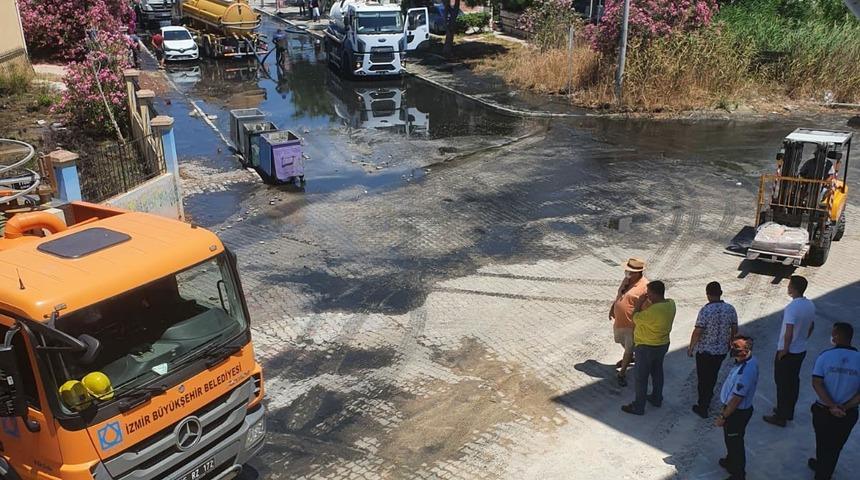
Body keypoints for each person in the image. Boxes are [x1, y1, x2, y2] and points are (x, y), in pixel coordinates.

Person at [808, 322, 860, 480]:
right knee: (835, 447)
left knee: (822, 442)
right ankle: (824, 467)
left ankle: (822, 474)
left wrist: (831, 405)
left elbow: (817, 382)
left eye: (833, 333)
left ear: (837, 336)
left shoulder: (825, 356)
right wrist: (844, 407)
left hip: (823, 411)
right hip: (847, 414)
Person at [764, 275, 815, 427]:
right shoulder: (810, 305)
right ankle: (787, 411)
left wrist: (784, 350)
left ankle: (780, 416)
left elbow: (789, 331)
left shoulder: (792, 308)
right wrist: (804, 339)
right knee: (793, 383)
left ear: (793, 289)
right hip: (801, 350)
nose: (788, 287)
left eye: (789, 285)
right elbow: (811, 326)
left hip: (789, 352)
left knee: (782, 384)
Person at [621, 280, 675, 415]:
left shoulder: (652, 312)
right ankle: (657, 398)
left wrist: (639, 303)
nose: (647, 295)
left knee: (641, 377)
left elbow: (635, 317)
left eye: (649, 293)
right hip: (662, 344)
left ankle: (639, 406)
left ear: (655, 294)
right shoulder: (671, 304)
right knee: (657, 372)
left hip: (646, 347)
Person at [689, 281, 739, 418]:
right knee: (712, 376)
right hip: (721, 351)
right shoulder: (730, 309)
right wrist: (732, 344)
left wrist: (691, 347)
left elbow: (698, 331)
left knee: (703, 378)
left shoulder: (706, 310)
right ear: (720, 293)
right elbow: (734, 330)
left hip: (705, 351)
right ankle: (708, 398)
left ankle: (702, 405)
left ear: (707, 295)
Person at [715, 335, 759, 480]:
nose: (732, 349)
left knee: (735, 442)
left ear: (746, 351)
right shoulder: (742, 361)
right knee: (729, 438)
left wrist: (723, 416)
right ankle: (730, 461)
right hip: (732, 409)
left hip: (737, 413)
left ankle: (738, 474)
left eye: (736, 348)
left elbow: (736, 399)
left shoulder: (746, 371)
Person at [609, 258, 649, 387]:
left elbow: (646, 307)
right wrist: (613, 308)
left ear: (638, 273)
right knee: (620, 340)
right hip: (620, 322)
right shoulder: (627, 280)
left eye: (630, 271)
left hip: (631, 325)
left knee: (629, 347)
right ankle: (631, 355)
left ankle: (622, 373)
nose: (627, 272)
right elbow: (619, 295)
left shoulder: (645, 287)